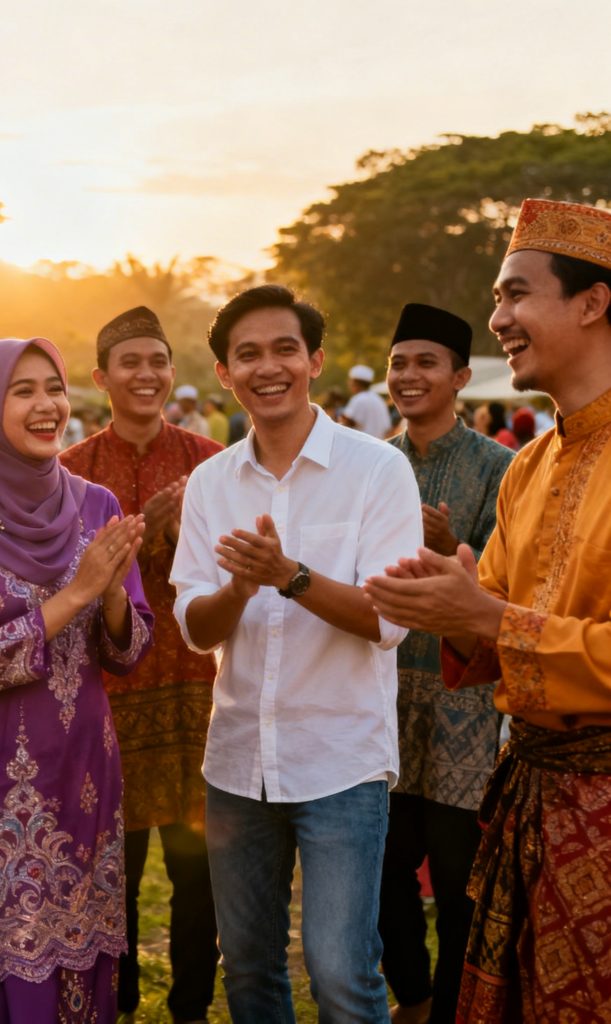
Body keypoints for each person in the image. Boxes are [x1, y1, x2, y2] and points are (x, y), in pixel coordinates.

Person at [364, 198, 611, 1020]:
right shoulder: (529, 466)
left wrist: (483, 616)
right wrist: (447, 600)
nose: (498, 318)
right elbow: (489, 615)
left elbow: (495, 619)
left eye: (515, 295)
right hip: (533, 796)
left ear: (592, 301)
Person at [171, 284, 423, 1023]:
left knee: (340, 970)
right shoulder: (211, 482)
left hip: (341, 760)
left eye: (285, 349)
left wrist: (290, 576)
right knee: (249, 969)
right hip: (238, 760)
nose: (268, 367)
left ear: (315, 360)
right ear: (225, 373)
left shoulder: (377, 470)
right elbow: (196, 625)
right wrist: (239, 588)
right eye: (247, 354)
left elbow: (390, 620)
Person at [0, 337, 154, 1024]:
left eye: (54, 388)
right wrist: (76, 594)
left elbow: (130, 648)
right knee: (11, 964)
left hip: (85, 768)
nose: (47, 405)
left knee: (85, 953)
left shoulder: (96, 504)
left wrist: (111, 594)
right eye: (23, 391)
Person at [61, 306, 222, 1024]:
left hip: (196, 698)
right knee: (111, 874)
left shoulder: (212, 463)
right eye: (130, 363)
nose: (146, 374)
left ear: (173, 373)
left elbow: (236, 573)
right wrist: (141, 535)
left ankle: (191, 1007)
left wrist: (186, 538)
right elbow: (61, 583)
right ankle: (118, 1005)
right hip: (107, 703)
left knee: (199, 872)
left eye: (158, 361)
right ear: (102, 378)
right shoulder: (70, 473)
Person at [378, 303, 514, 1024]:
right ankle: (414, 996)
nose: (409, 375)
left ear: (460, 377)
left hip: (464, 701)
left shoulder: (500, 467)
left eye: (426, 363)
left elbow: (511, 581)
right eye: (399, 363)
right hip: (381, 697)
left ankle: (456, 1008)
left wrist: (452, 546)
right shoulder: (372, 464)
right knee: (382, 865)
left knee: (459, 871)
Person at [341, 364, 393, 438]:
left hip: (362, 443)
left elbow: (348, 421)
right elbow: (387, 427)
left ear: (354, 383)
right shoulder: (378, 399)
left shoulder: (359, 399)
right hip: (380, 442)